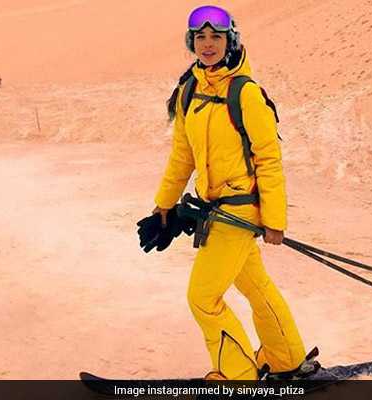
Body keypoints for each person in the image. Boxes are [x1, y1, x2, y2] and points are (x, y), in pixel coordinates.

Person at [152, 5, 306, 380]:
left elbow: (268, 159)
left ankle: (238, 376)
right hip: (212, 210)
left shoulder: (246, 93)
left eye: (215, 37)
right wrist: (164, 205)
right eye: (200, 38)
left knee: (202, 297)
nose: (207, 45)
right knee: (255, 285)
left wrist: (274, 221)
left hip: (239, 213)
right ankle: (286, 358)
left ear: (229, 40)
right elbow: (182, 154)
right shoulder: (190, 91)